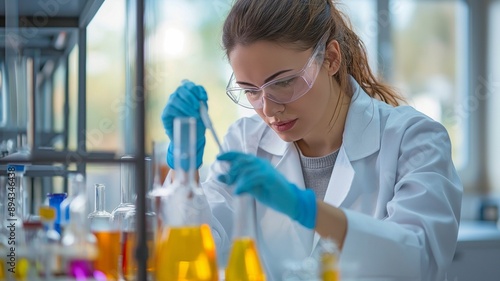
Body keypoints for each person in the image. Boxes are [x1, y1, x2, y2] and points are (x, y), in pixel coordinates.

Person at [161, 0, 463, 280]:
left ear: (330, 59)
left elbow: (420, 261)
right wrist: (184, 169)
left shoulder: (414, 139)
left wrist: (306, 208)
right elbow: (200, 251)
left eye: (283, 82)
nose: (268, 109)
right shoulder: (245, 140)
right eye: (251, 90)